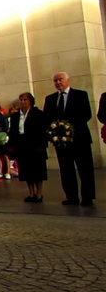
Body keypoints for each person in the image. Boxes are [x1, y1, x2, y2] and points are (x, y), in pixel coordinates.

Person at [43, 72, 95, 206]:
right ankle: (71, 197)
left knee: (85, 169)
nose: (58, 82)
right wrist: (56, 131)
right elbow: (47, 118)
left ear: (68, 80)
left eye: (60, 80)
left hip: (80, 139)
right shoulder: (50, 99)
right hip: (60, 142)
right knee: (66, 170)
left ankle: (87, 197)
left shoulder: (80, 95)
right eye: (55, 81)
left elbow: (86, 114)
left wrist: (68, 127)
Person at [8, 92, 48, 203]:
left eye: (25, 99)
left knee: (37, 170)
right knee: (26, 169)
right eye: (21, 100)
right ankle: (31, 192)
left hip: (35, 144)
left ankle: (39, 193)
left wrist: (42, 145)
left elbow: (42, 130)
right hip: (21, 144)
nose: (23, 102)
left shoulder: (37, 113)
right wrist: (11, 145)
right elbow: (12, 132)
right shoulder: (15, 115)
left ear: (30, 101)